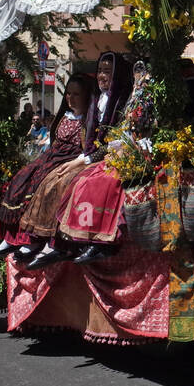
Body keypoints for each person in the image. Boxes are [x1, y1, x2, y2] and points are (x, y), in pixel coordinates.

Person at [19, 53, 135, 268]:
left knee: (81, 182)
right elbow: (91, 137)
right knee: (48, 177)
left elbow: (114, 139)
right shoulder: (98, 99)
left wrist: (81, 161)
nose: (102, 76)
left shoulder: (123, 100)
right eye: (100, 70)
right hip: (91, 155)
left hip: (112, 155)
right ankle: (36, 237)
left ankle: (76, 242)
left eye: (107, 71)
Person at [0, 74, 98, 257]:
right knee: (22, 177)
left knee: (46, 184)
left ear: (86, 95)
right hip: (52, 155)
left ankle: (35, 239)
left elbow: (89, 147)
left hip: (71, 158)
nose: (71, 98)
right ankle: (12, 236)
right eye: (68, 93)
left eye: (76, 94)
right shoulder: (65, 116)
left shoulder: (89, 119)